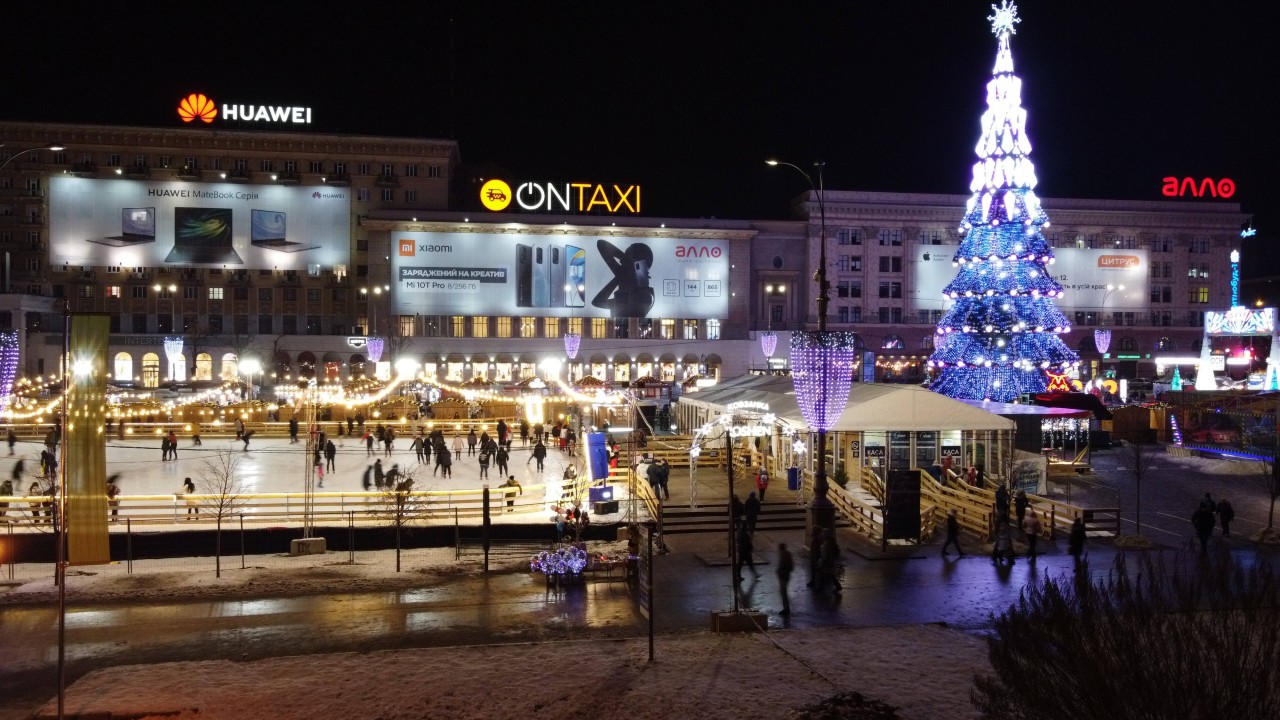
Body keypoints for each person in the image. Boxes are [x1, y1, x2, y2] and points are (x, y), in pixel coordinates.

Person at [776, 542, 794, 616]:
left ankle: (786, 608)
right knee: (783, 592)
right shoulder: (787, 554)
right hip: (785, 576)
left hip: (783, 576)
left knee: (783, 593)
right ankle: (786, 608)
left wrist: (780, 572)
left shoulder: (783, 556)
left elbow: (786, 567)